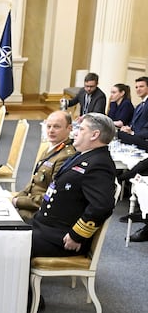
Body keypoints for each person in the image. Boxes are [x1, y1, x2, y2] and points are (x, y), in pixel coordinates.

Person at [31, 113, 117, 258]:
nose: (75, 132)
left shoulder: (99, 163)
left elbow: (102, 205)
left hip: (61, 237)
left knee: (12, 245)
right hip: (46, 226)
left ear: (94, 135)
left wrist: (77, 235)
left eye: (81, 129)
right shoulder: (84, 155)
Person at [12, 111, 76, 223]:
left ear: (69, 128)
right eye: (49, 126)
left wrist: (18, 202)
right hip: (31, 202)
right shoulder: (52, 148)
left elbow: (53, 196)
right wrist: (17, 198)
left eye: (56, 127)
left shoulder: (66, 156)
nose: (51, 131)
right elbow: (34, 182)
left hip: (41, 213)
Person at [117, 76, 148, 150]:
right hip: (135, 137)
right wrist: (127, 128)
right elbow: (133, 123)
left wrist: (132, 133)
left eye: (141, 86)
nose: (138, 89)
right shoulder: (139, 106)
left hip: (143, 139)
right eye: (136, 87)